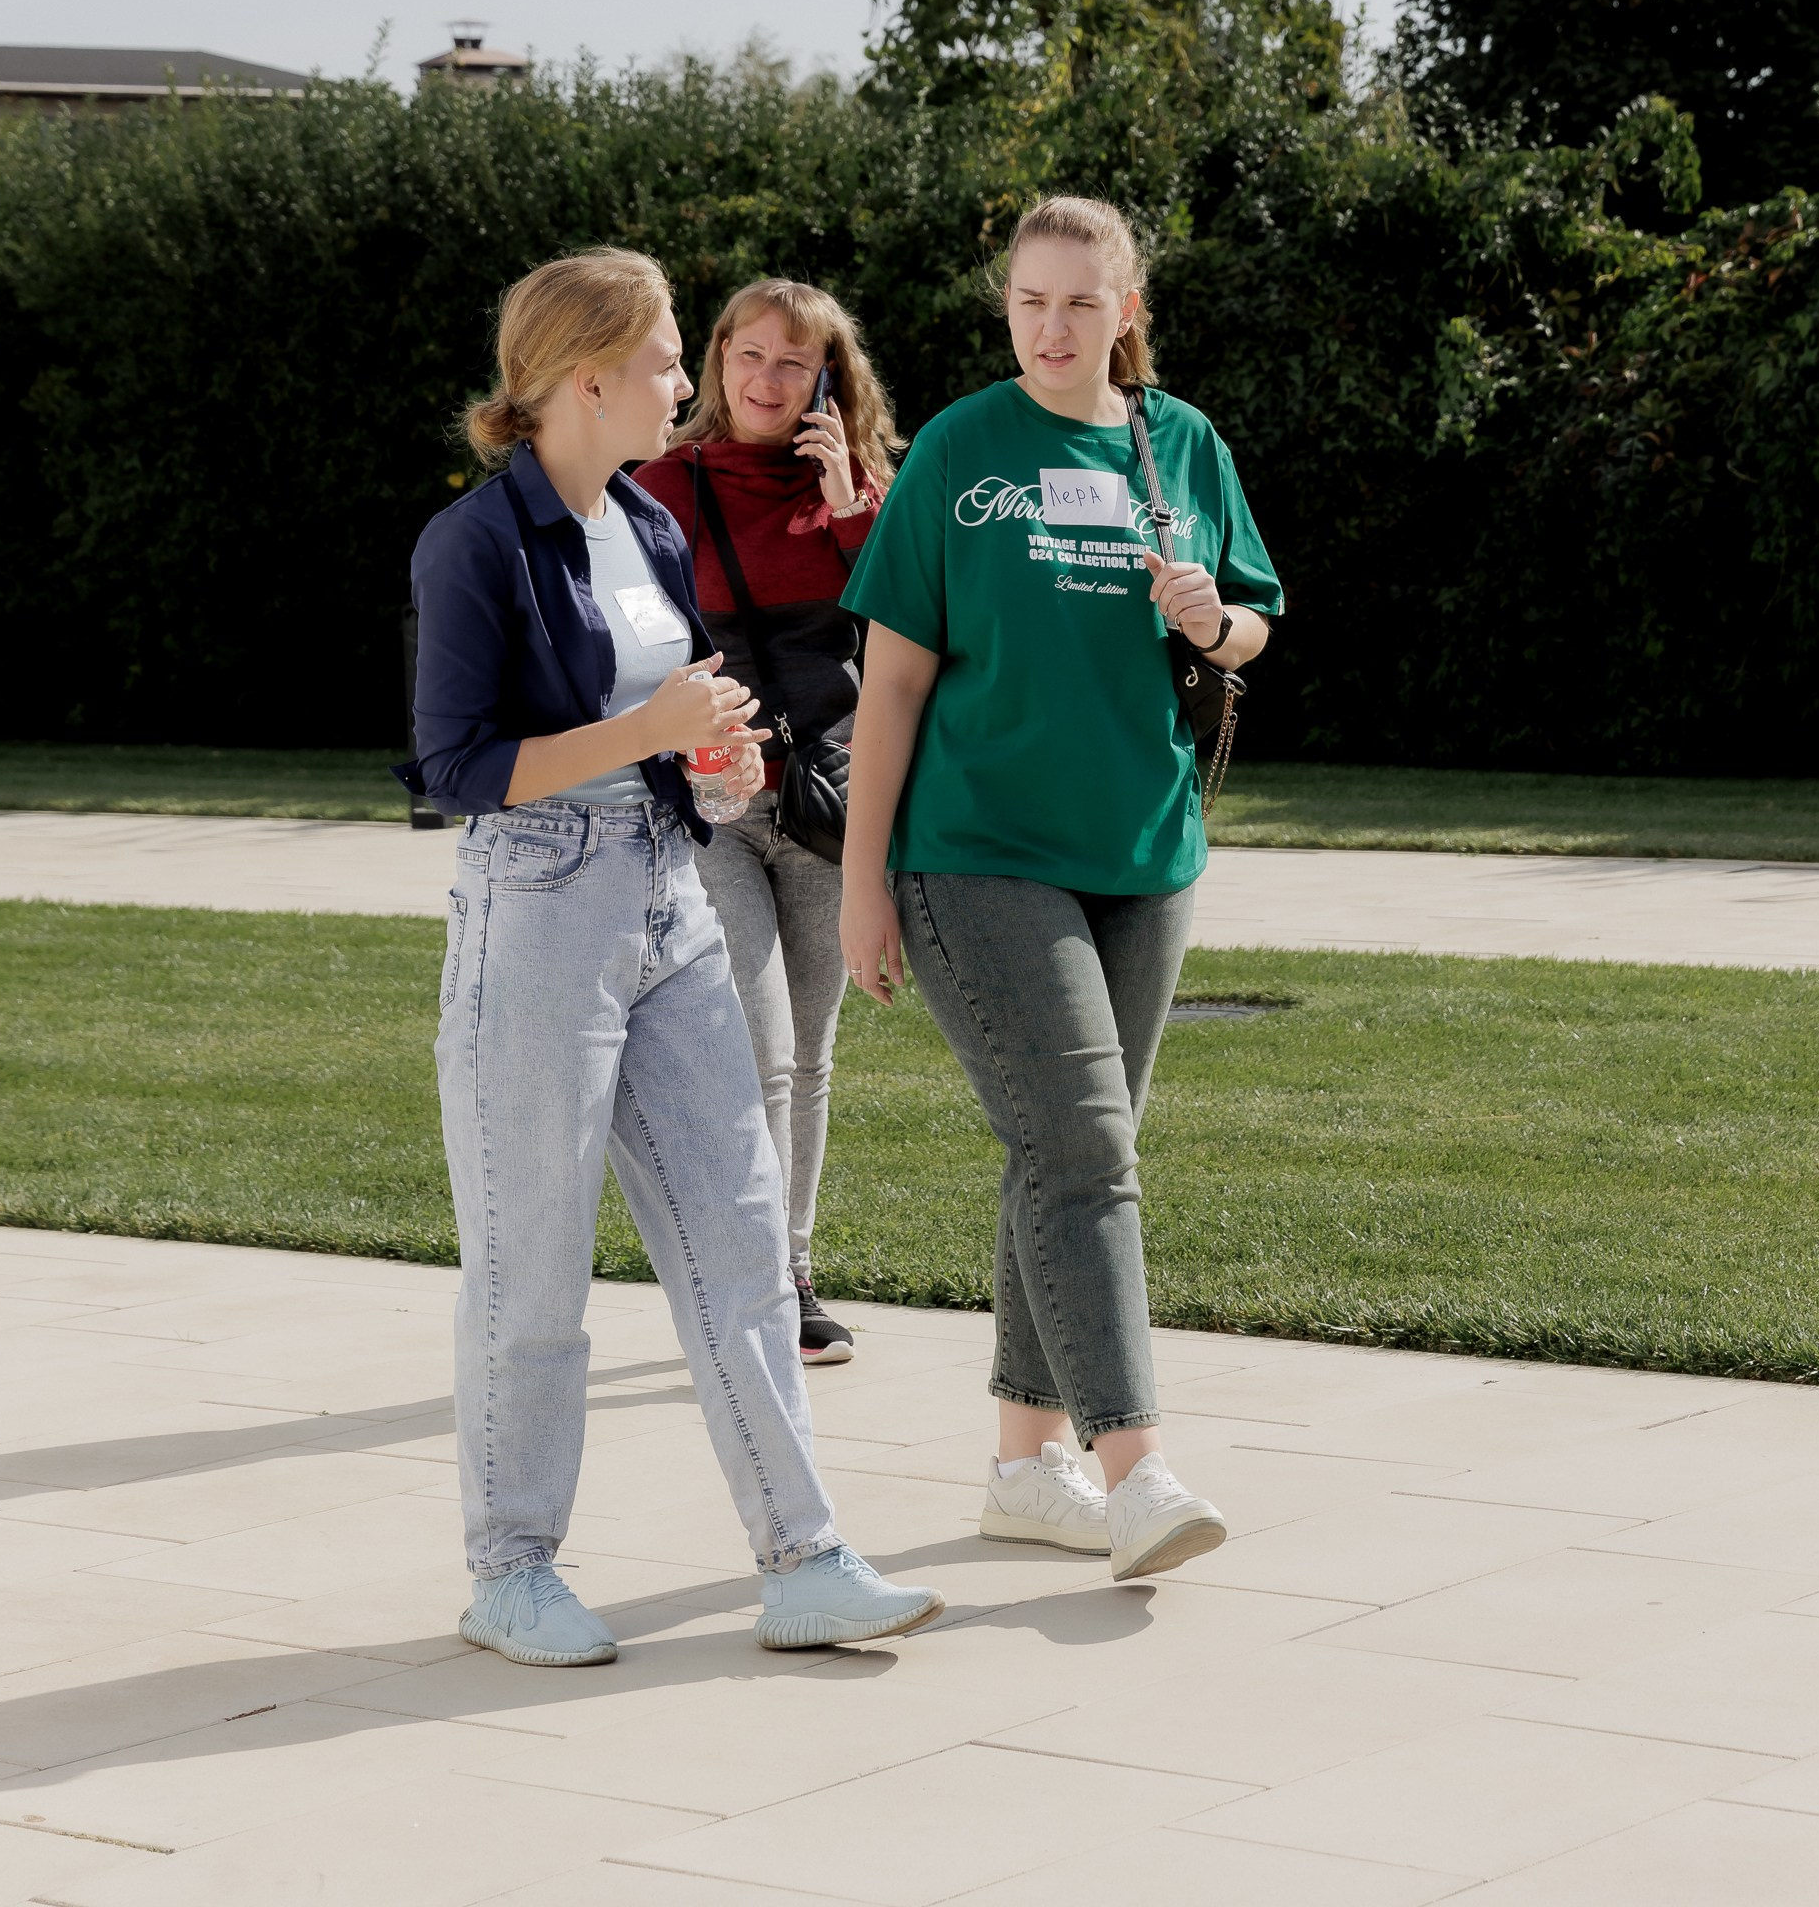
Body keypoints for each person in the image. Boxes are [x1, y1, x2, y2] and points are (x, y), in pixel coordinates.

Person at [403, 247, 943, 1664]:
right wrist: (647, 737)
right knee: (533, 1270)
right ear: (583, 378)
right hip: (537, 918)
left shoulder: (643, 522)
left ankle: (806, 1555)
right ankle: (510, 1570)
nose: (676, 383)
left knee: (744, 1244)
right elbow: (450, 768)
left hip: (668, 897)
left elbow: (672, 717)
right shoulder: (475, 545)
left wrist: (711, 762)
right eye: (656, 360)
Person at [838, 194, 1281, 1582]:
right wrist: (863, 884)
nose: (1052, 326)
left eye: (1081, 302)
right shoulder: (965, 450)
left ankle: (1025, 1466)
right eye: (1030, 301)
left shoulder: (1182, 442)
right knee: (1085, 1150)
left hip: (1146, 856)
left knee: (1068, 1149)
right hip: (978, 853)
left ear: (1126, 311)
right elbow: (892, 684)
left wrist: (1218, 620)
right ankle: (1135, 1469)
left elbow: (1254, 623)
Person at [636, 278, 899, 1369]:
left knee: (811, 1053)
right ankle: (749, 1277)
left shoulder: (869, 497)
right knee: (759, 1049)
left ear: (830, 382)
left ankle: (789, 1270)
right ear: (715, 361)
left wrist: (850, 511)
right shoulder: (659, 487)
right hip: (720, 804)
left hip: (832, 807)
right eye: (748, 354)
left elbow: (911, 646)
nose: (765, 379)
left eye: (794, 363)